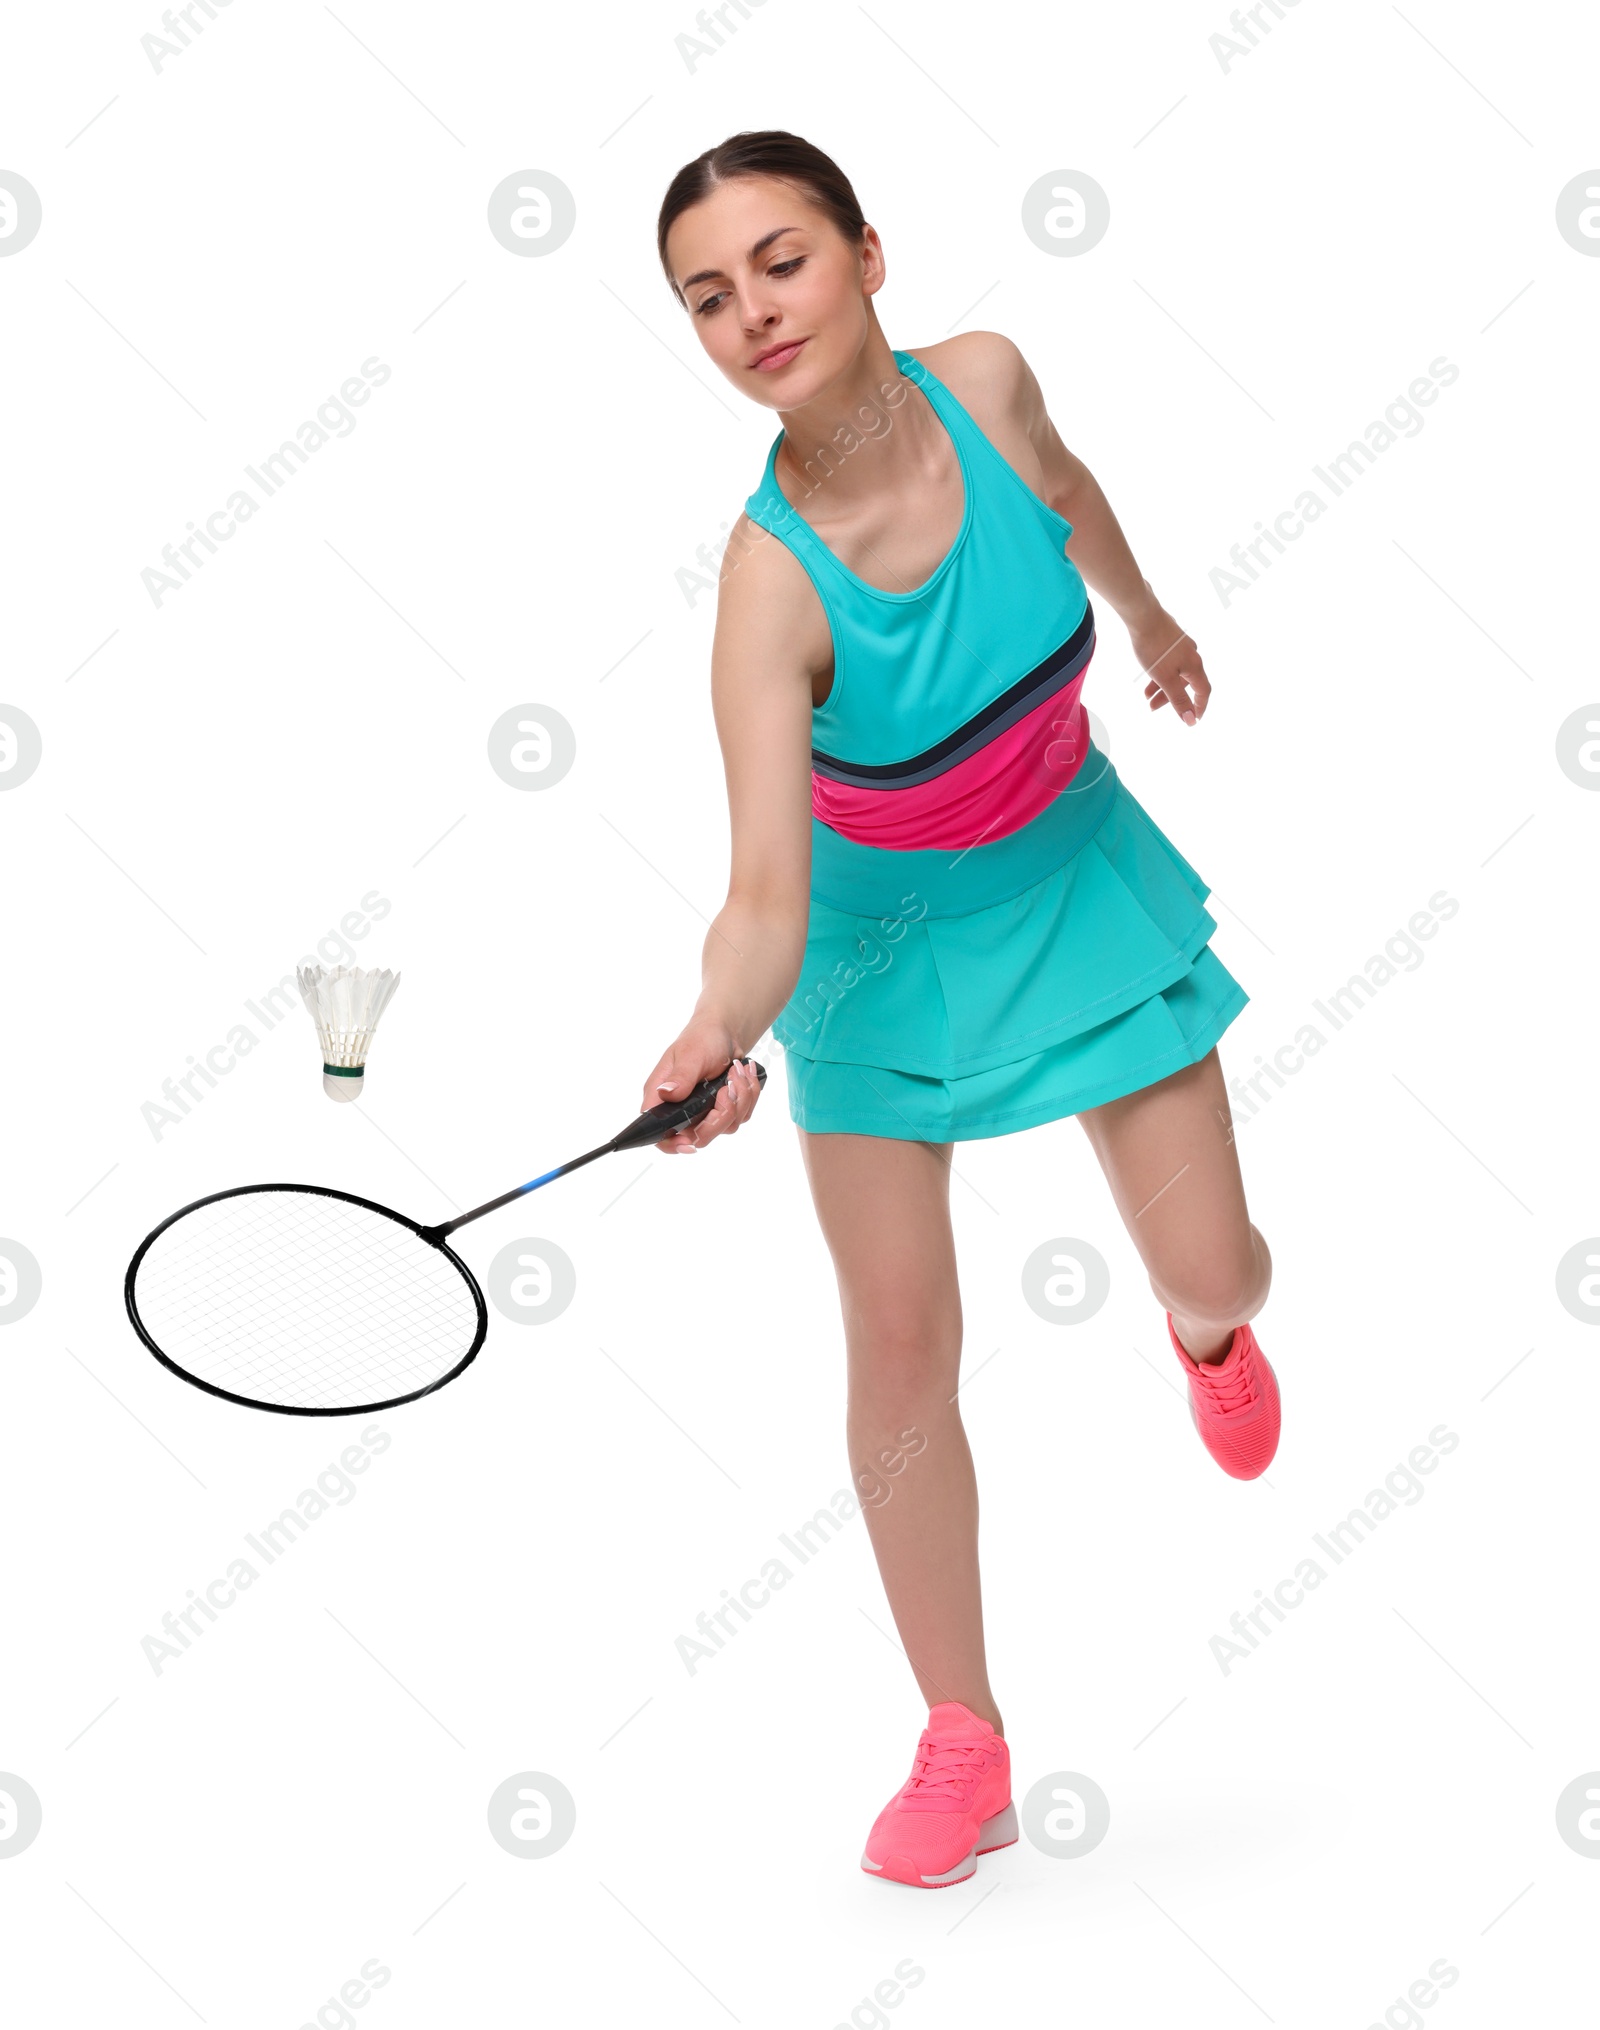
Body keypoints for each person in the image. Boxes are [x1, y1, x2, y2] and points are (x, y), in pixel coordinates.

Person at [644, 130, 1278, 1890]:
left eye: (780, 260)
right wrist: (715, 1031)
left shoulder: (987, 384)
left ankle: (1208, 1339)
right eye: (708, 297)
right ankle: (964, 1738)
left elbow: (1069, 500)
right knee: (904, 1342)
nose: (751, 311)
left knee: (1222, 1264)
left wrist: (1147, 621)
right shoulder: (768, 589)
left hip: (1072, 879)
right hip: (871, 958)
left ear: (866, 252)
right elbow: (768, 889)